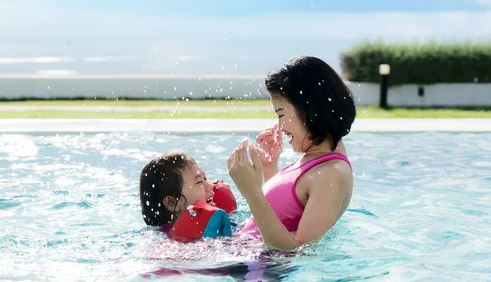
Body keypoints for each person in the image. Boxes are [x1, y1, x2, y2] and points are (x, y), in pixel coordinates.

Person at [228, 56, 356, 251]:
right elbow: (284, 217)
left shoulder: (331, 173)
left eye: (281, 114)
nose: (279, 126)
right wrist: (271, 168)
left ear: (309, 108)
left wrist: (252, 195)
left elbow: (296, 251)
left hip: (257, 271)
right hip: (247, 258)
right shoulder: (317, 161)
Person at [139, 152, 237, 241]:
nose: (210, 186)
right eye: (199, 182)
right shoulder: (171, 243)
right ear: (172, 202)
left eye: (205, 178)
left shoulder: (226, 219)